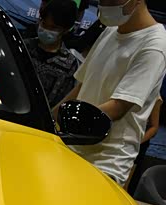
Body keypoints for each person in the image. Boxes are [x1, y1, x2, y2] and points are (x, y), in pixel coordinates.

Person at [55, 0, 166, 186]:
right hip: (72, 147)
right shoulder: (110, 30)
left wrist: (68, 123)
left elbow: (118, 107)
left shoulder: (154, 45)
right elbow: (82, 86)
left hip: (105, 163)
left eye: (111, 0)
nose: (104, 5)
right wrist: (47, 118)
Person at [24, 0, 81, 106]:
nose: (46, 30)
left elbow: (63, 101)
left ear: (65, 30)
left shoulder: (69, 64)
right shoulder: (24, 47)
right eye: (44, 24)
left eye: (54, 28)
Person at [127, 95, 162, 191]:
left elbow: (154, 128)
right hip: (123, 135)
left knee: (131, 176)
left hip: (139, 140)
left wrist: (137, 142)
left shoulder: (155, 97)